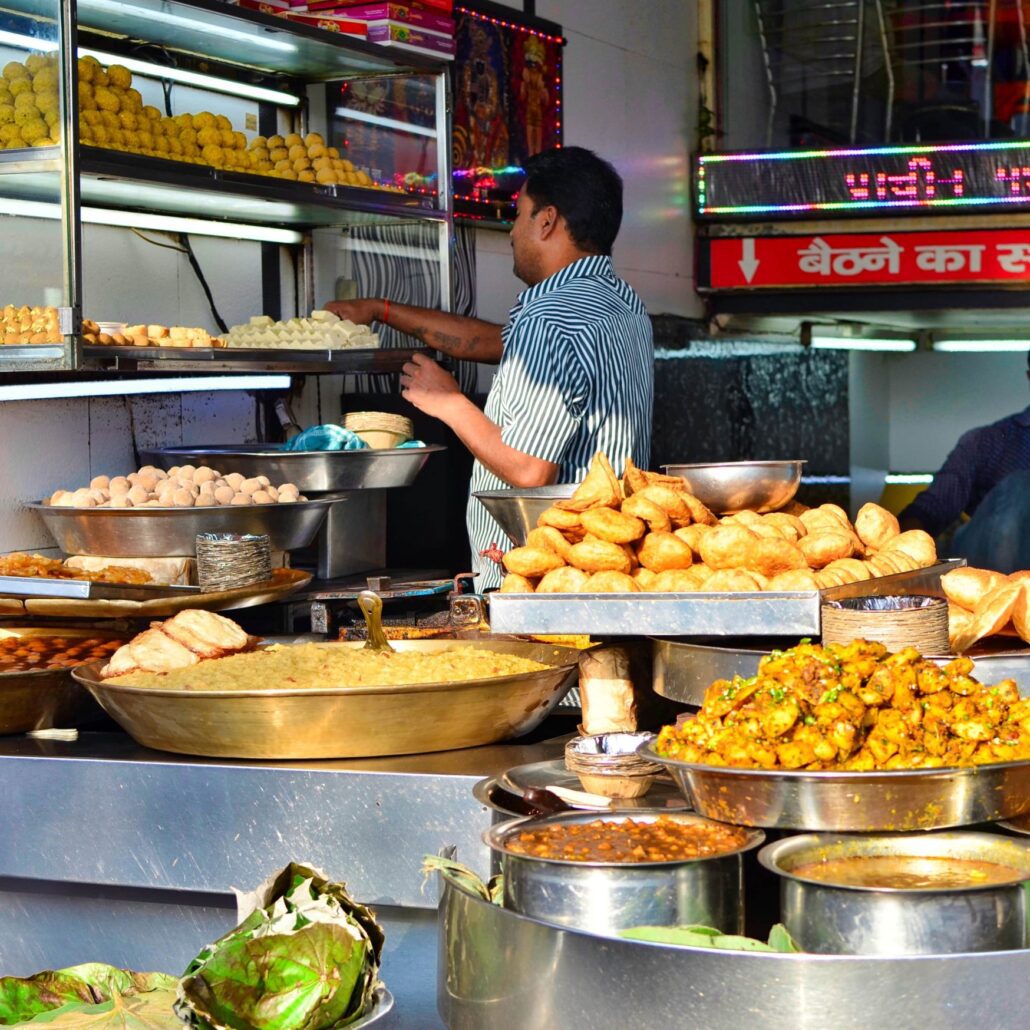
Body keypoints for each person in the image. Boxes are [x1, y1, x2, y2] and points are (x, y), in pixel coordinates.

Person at [326, 146, 654, 588]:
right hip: (602, 569)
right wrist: (381, 309)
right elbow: (494, 342)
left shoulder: (552, 316)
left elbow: (530, 471)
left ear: (547, 220)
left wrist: (448, 402)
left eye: (518, 215)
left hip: (544, 579)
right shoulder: (619, 303)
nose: (512, 233)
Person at [900, 353, 1030, 573]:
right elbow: (930, 510)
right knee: (1020, 485)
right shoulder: (987, 442)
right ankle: (1006, 599)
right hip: (990, 579)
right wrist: (891, 555)